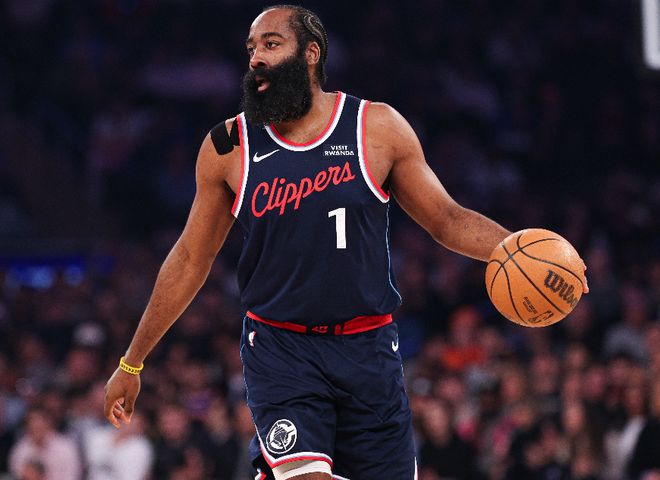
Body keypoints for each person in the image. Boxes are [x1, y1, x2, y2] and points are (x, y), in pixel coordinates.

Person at [103, 5, 586, 479]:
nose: (256, 58)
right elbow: (190, 257)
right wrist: (132, 362)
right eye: (251, 48)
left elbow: (446, 219)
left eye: (271, 44)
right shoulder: (229, 145)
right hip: (281, 349)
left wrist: (521, 253)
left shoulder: (376, 127)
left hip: (369, 349)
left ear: (310, 54)